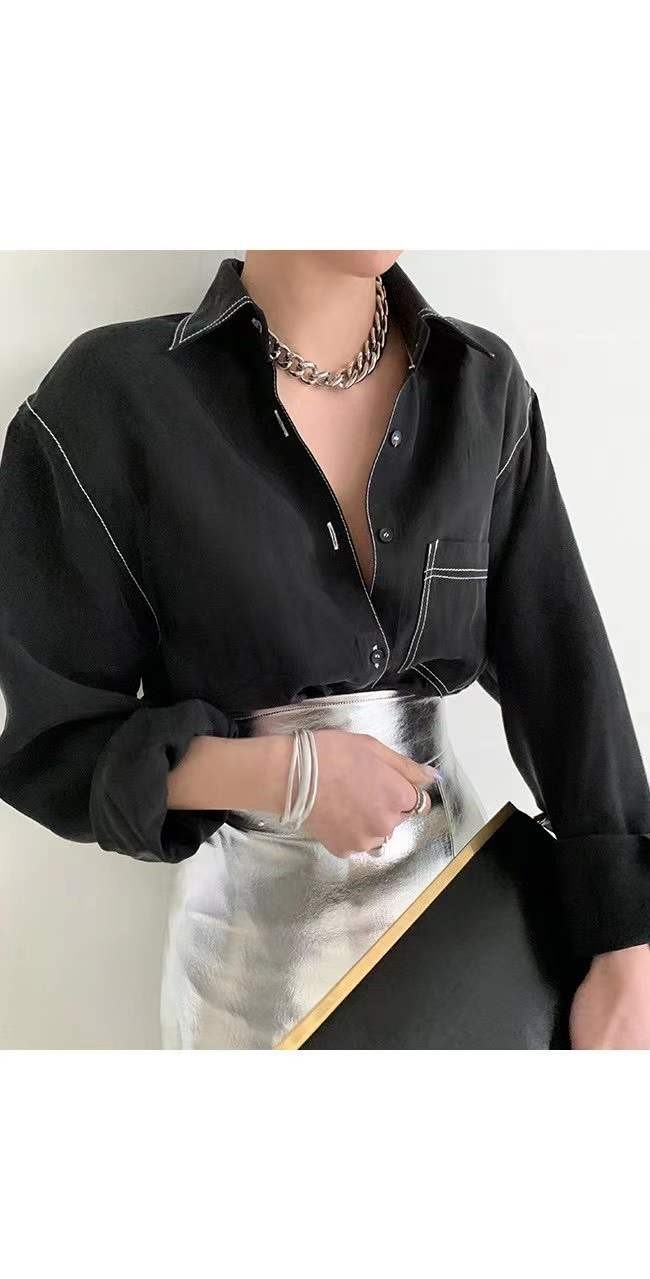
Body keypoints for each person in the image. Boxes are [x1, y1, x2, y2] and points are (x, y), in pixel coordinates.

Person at [0, 251, 649, 1049]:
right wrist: (286, 776)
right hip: (253, 988)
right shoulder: (113, 397)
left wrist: (629, 944)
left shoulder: (480, 385)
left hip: (471, 946)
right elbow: (55, 744)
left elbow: (568, 683)